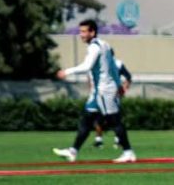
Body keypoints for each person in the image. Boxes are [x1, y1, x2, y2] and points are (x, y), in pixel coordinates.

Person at [52, 20, 136, 163]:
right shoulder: (105, 44)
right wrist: (118, 85)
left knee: (114, 121)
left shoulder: (94, 47)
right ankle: (73, 151)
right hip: (100, 91)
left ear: (93, 32)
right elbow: (113, 68)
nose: (81, 34)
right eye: (81, 31)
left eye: (84, 31)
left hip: (104, 91)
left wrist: (67, 71)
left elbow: (87, 66)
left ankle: (128, 152)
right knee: (86, 120)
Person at [92, 61, 131, 149]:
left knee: (102, 119)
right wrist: (123, 90)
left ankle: (100, 141)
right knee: (114, 119)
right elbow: (128, 77)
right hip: (112, 94)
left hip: (105, 94)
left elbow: (128, 77)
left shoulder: (104, 63)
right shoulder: (117, 64)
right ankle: (116, 141)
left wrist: (123, 90)